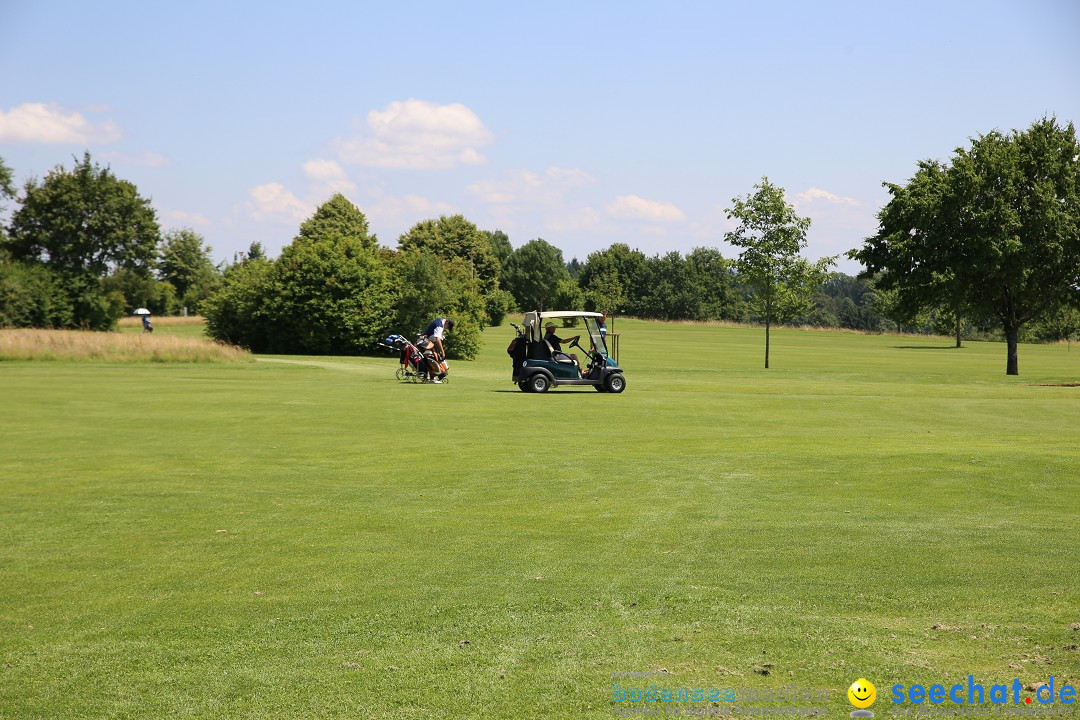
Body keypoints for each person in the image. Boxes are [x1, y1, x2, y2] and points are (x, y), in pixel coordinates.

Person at [419, 317, 453, 383]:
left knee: (431, 359)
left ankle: (431, 376)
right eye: (447, 327)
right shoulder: (439, 326)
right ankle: (433, 376)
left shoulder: (441, 320)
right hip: (427, 343)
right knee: (433, 359)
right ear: (446, 323)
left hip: (426, 342)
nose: (446, 329)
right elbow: (437, 339)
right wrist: (442, 352)